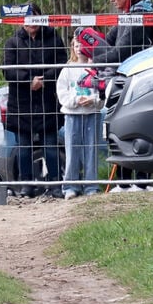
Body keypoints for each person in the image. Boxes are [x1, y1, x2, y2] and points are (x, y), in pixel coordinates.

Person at [90, 0, 153, 191]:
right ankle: (125, 181)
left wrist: (94, 61)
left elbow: (122, 50)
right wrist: (87, 41)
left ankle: (140, 182)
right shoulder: (126, 15)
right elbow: (109, 42)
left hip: (139, 81)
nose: (112, 0)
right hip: (124, 80)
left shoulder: (139, 16)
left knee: (138, 127)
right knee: (120, 127)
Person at [2, 3, 66, 199]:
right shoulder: (12, 42)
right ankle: (26, 185)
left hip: (47, 99)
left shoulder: (53, 37)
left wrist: (44, 79)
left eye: (35, 18)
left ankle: (55, 184)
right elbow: (8, 70)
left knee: (50, 145)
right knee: (23, 147)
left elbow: (62, 63)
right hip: (21, 101)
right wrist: (28, 81)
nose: (32, 23)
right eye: (27, 19)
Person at [57, 30, 104, 200]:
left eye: (82, 44)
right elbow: (62, 93)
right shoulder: (67, 70)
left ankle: (91, 185)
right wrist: (76, 100)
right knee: (72, 151)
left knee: (91, 150)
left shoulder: (95, 68)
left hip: (92, 113)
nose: (79, 48)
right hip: (72, 115)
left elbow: (102, 92)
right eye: (76, 45)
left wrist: (93, 100)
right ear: (72, 48)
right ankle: (70, 185)